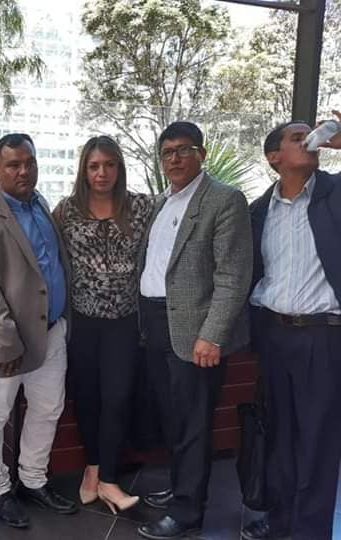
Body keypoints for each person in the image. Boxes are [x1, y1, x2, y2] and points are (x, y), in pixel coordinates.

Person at [136, 121, 253, 539]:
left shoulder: (224, 199)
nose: (174, 159)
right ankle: (182, 487)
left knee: (193, 423)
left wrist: (212, 334)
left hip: (196, 332)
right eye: (167, 152)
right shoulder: (161, 202)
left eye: (183, 150)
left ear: (201, 154)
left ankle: (188, 513)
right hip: (156, 324)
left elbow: (234, 275)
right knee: (172, 418)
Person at [0, 133, 77, 530]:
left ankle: (32, 480)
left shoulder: (42, 204)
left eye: (29, 163)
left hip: (53, 331)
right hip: (7, 341)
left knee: (48, 408)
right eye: (13, 164)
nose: (23, 171)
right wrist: (6, 340)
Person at [241, 111, 341, 540]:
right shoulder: (259, 211)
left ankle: (309, 530)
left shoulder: (335, 194)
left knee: (318, 441)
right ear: (273, 157)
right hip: (274, 334)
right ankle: (280, 518)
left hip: (324, 336)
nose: (309, 139)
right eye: (297, 137)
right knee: (278, 435)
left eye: (310, 134)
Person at [52, 136, 153, 513]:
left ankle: (109, 479)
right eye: (94, 166)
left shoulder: (141, 207)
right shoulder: (67, 211)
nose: (101, 173)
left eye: (109, 164)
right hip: (82, 322)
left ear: (119, 168)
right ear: (84, 170)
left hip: (124, 322)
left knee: (117, 396)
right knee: (88, 398)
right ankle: (93, 469)